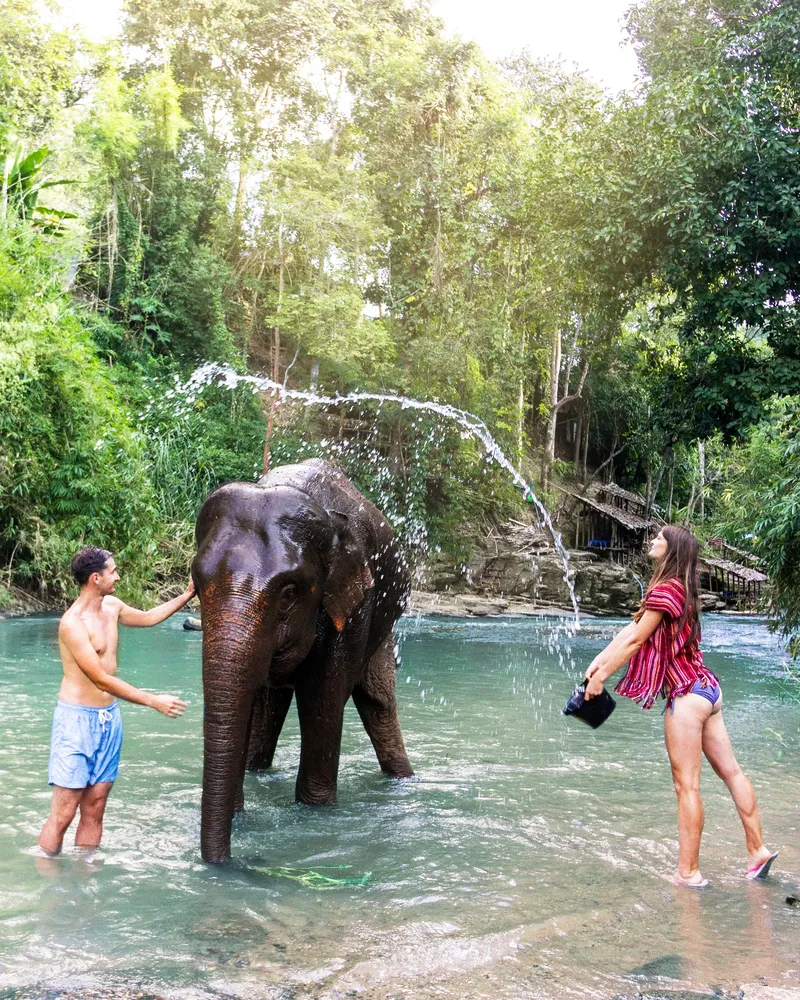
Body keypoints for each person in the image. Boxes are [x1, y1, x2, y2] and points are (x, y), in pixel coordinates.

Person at [583, 525, 777, 887]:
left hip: (686, 695)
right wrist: (598, 663)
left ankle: (688, 873)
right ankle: (758, 851)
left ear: (671, 548)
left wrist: (600, 679)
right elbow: (629, 633)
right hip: (707, 687)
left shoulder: (665, 589)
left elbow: (636, 641)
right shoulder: (681, 589)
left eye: (659, 537)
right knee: (733, 773)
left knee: (687, 787)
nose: (652, 541)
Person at [37, 546, 194, 856]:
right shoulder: (72, 623)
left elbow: (149, 618)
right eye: (113, 571)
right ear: (96, 578)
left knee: (95, 806)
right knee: (64, 813)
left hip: (108, 719)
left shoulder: (111, 606)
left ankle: (85, 881)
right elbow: (99, 678)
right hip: (76, 721)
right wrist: (152, 701)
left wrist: (188, 595)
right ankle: (50, 888)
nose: (118, 576)